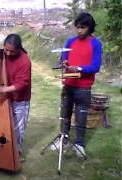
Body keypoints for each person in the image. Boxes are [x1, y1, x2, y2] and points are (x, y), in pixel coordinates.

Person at [50, 12, 102, 157]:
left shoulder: (95, 43)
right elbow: (63, 59)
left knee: (81, 115)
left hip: (84, 87)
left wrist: (79, 68)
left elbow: (96, 66)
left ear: (89, 28)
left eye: (83, 27)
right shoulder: (70, 42)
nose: (79, 30)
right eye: (77, 27)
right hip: (68, 84)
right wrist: (64, 63)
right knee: (65, 114)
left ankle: (79, 144)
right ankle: (63, 139)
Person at [0, 34, 31, 161]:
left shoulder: (25, 61)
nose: (7, 53)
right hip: (6, 97)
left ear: (18, 49)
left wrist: (3, 89)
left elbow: (22, 84)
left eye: (11, 51)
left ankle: (16, 153)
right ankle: (1, 149)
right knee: (3, 124)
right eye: (6, 49)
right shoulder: (2, 55)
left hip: (20, 99)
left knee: (18, 128)